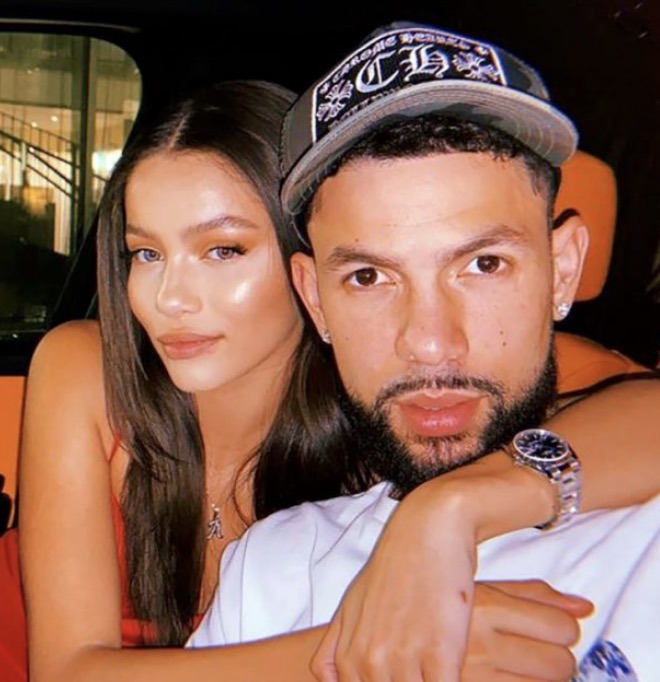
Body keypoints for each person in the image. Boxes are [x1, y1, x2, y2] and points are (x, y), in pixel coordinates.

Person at [2, 73, 657, 682]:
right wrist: (382, 641)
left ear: (308, 273)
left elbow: (642, 409)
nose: (169, 298)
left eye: (223, 250)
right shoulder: (89, 369)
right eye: (146, 253)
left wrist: (447, 511)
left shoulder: (400, 396)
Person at [186, 22, 660, 682]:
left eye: (484, 265)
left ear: (563, 271)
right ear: (315, 300)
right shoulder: (268, 573)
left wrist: (450, 511)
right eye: (369, 277)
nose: (431, 343)